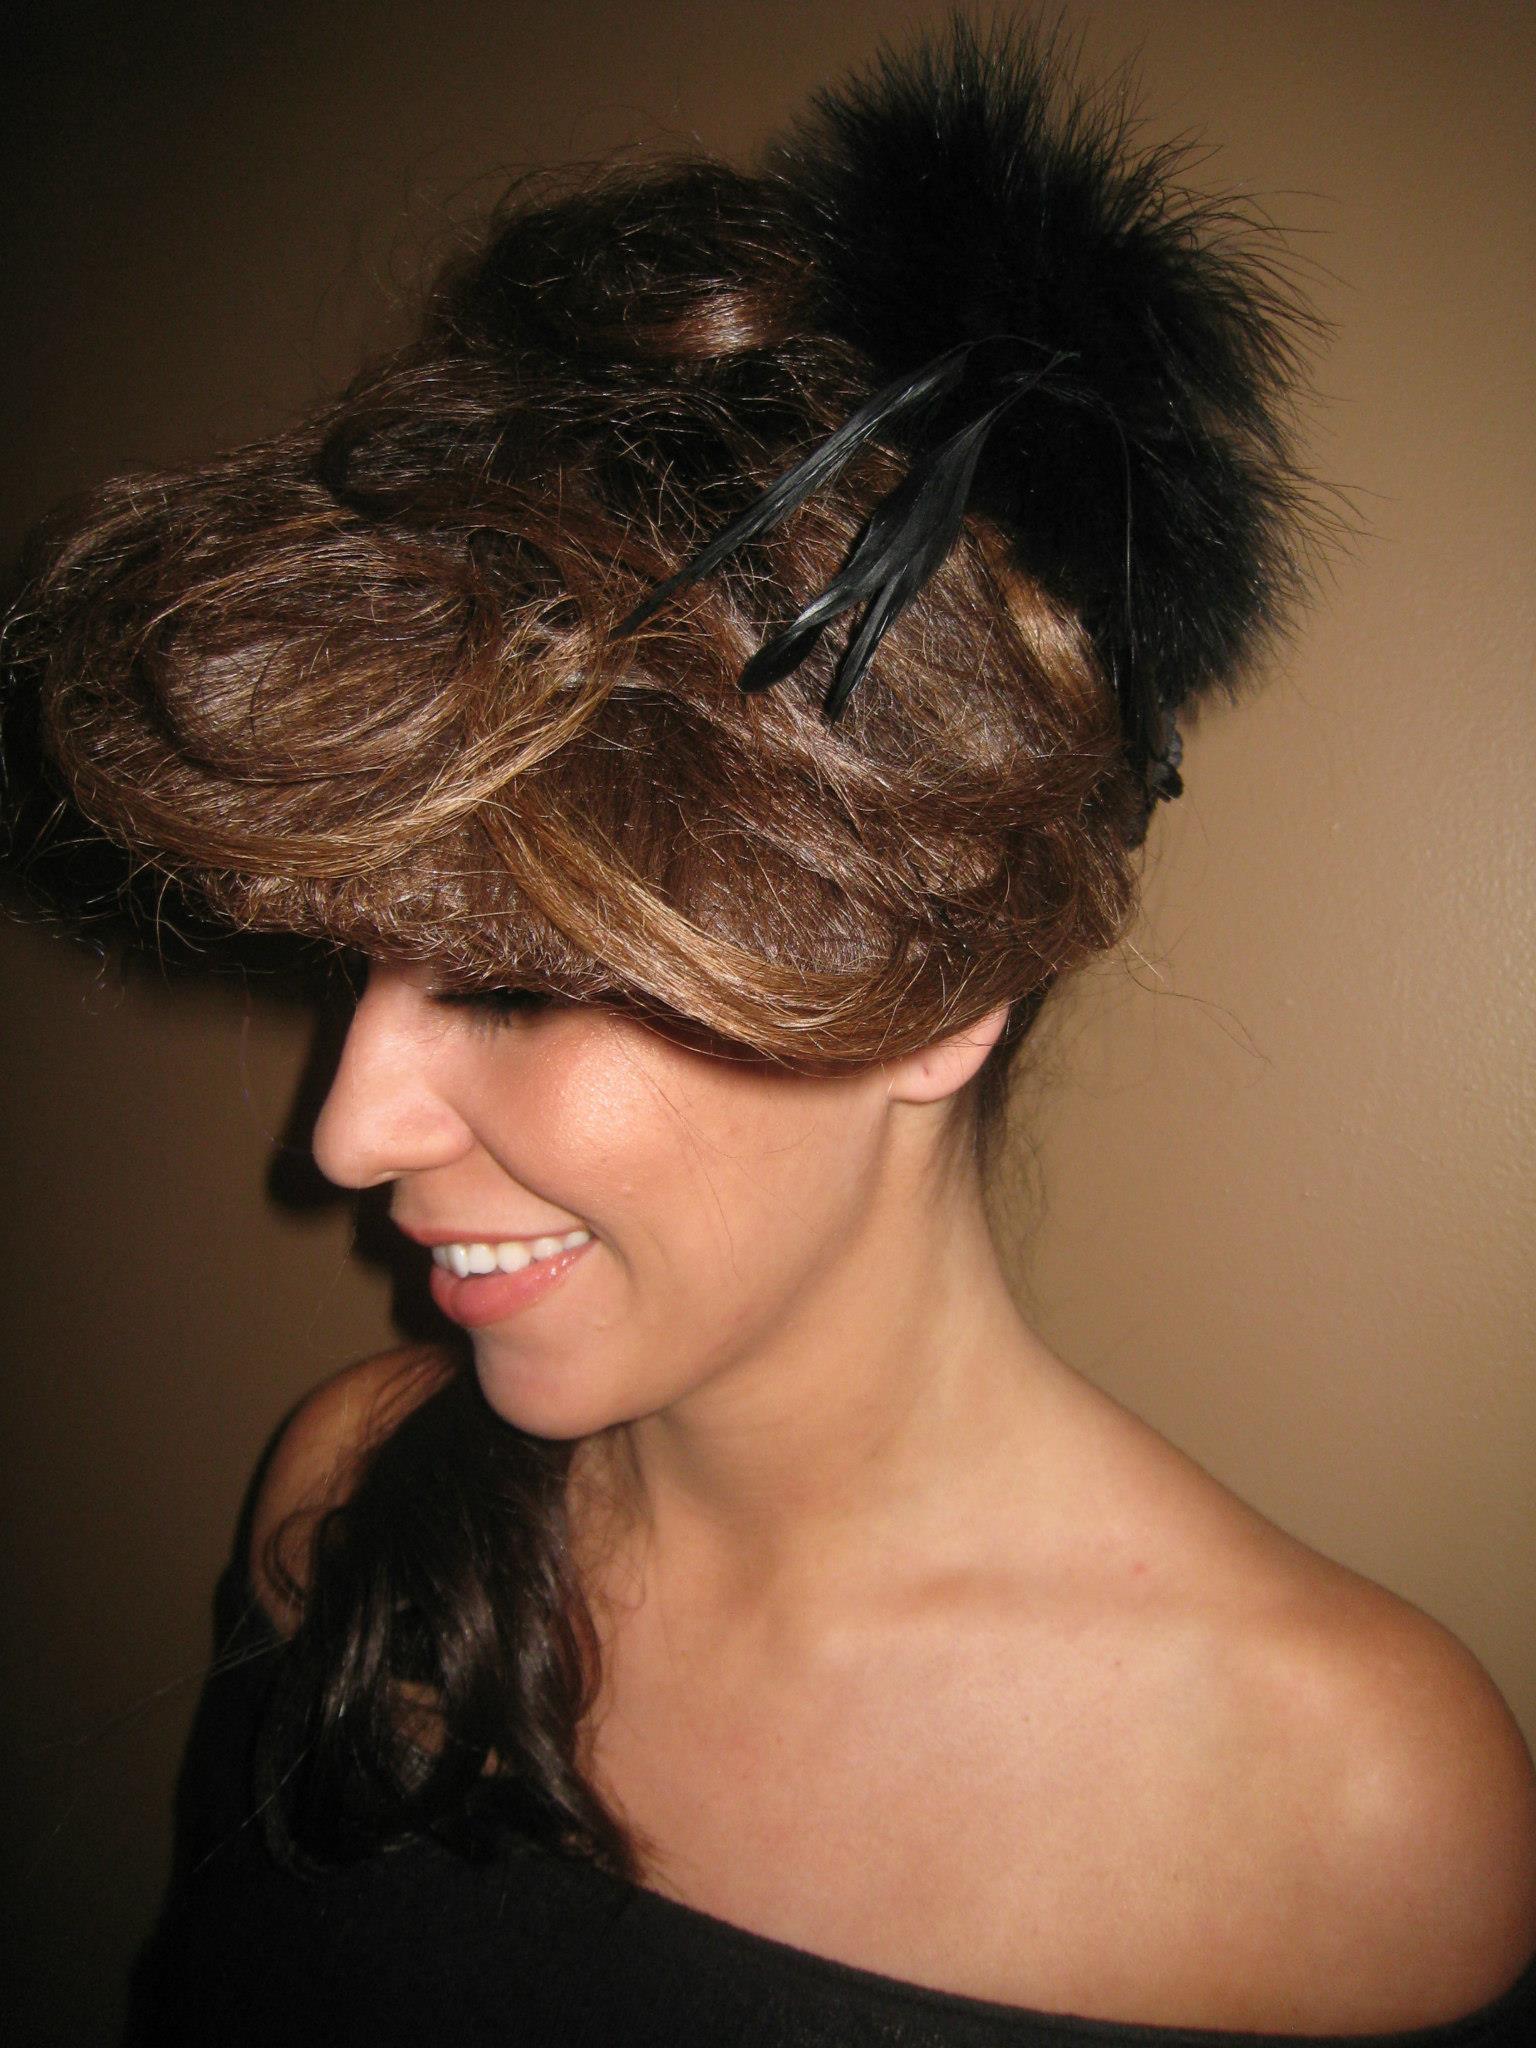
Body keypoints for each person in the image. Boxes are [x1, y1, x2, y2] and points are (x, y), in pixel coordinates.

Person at [7, 18, 1535, 2045]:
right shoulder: (352, 1507)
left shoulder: (1353, 1822)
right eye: (357, 960)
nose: (349, 1131)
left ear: (943, 988)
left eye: (518, 976)